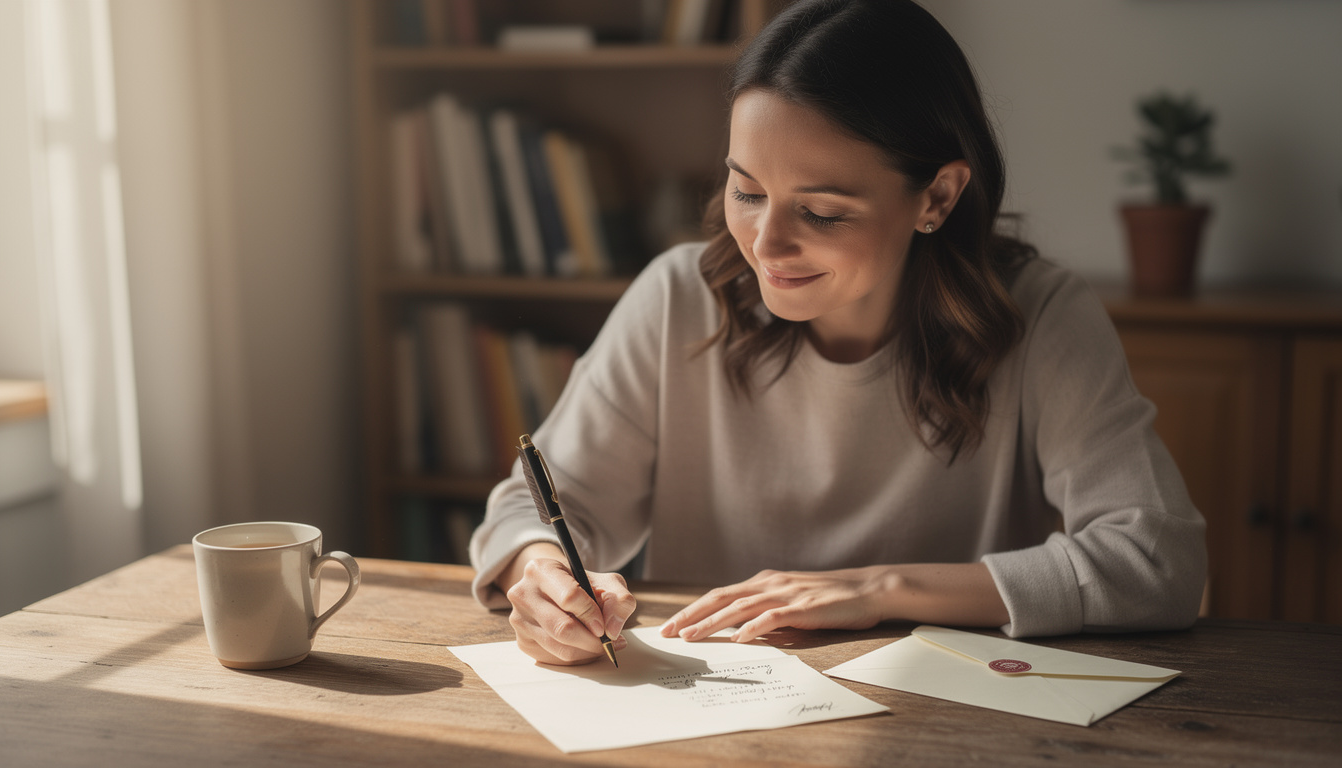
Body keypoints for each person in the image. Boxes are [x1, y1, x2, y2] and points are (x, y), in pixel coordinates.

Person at [468, 0, 1207, 667]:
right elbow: (527, 510)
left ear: (938, 196)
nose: (765, 244)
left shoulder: (1040, 314)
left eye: (822, 212)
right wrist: (540, 574)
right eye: (747, 191)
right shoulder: (677, 297)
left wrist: (880, 588)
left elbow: (1159, 560)